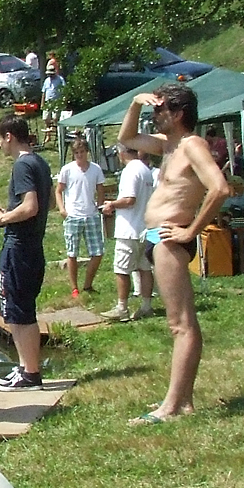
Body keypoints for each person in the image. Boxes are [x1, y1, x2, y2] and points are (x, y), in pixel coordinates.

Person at [118, 84, 231, 424]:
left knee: (180, 325)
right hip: (158, 236)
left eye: (160, 109)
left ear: (178, 114)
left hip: (171, 238)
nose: (155, 114)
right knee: (181, 323)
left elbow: (220, 188)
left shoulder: (193, 145)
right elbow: (127, 138)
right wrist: (136, 102)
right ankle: (184, 401)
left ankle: (171, 406)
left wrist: (191, 230)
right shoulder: (169, 145)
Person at [0, 116, 52, 390]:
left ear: (9, 136)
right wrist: (6, 213)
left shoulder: (22, 164)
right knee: (22, 309)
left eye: (0, 138)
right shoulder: (39, 162)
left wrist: (3, 219)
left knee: (18, 310)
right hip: (32, 246)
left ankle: (30, 374)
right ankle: (26, 367)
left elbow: (30, 207)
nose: (0, 144)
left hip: (20, 247)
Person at [100, 144, 155, 321]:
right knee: (144, 268)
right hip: (145, 226)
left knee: (122, 269)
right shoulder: (145, 169)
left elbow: (130, 199)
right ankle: (146, 306)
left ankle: (122, 307)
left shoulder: (130, 170)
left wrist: (112, 204)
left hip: (129, 228)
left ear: (122, 152)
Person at [55, 137, 106, 298]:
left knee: (97, 252)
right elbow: (58, 190)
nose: (79, 155)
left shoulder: (95, 169)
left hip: (91, 214)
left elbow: (101, 189)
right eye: (76, 153)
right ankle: (74, 287)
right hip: (73, 215)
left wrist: (99, 206)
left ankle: (88, 285)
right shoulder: (67, 169)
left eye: (82, 152)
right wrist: (62, 209)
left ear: (87, 152)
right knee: (72, 253)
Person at [40, 60, 65, 145]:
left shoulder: (60, 79)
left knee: (55, 118)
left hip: (57, 102)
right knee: (46, 118)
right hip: (48, 102)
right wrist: (42, 103)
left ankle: (58, 134)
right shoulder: (46, 80)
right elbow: (44, 92)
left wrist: (64, 100)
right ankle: (48, 135)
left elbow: (64, 90)